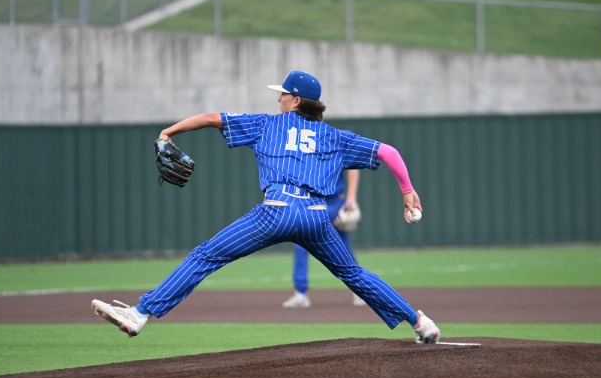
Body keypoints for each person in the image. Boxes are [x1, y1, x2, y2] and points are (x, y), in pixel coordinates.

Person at [91, 70, 440, 344]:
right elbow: (389, 152)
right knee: (354, 274)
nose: (278, 99)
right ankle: (420, 322)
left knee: (205, 256)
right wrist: (407, 191)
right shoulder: (334, 137)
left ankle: (141, 313)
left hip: (276, 211)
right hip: (317, 217)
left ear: (296, 100)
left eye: (283, 94)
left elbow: (212, 117)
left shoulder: (266, 124)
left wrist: (168, 132)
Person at [283, 169, 367, 308]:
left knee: (342, 247)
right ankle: (300, 293)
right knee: (300, 243)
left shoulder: (337, 152)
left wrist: (351, 199)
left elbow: (352, 169)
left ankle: (360, 290)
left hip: (335, 201)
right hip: (310, 202)